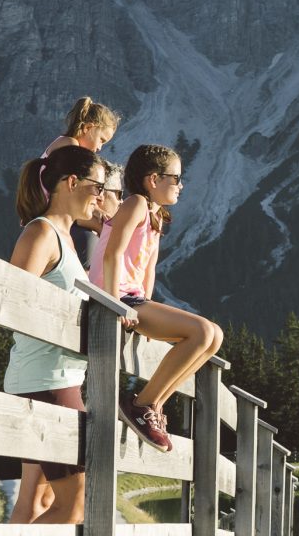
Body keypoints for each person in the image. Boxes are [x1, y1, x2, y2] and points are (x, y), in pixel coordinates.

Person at [1, 145, 130, 524]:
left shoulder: (65, 237)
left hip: (50, 378)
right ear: (71, 182)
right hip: (47, 382)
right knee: (77, 501)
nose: (102, 197)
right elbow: (9, 301)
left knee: (35, 500)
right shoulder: (41, 233)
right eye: (97, 187)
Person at [96, 143, 223, 453]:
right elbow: (112, 254)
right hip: (115, 295)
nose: (181, 185)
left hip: (134, 299)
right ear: (153, 179)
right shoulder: (136, 204)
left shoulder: (156, 216)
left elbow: (148, 271)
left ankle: (155, 405)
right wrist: (114, 304)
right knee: (203, 331)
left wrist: (149, 311)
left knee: (215, 337)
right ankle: (141, 404)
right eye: (175, 178)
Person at [19, 96, 119, 267]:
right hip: (51, 210)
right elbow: (69, 191)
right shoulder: (70, 145)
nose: (100, 148)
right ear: (88, 128)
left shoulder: (64, 141)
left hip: (49, 210)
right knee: (102, 230)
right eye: (101, 139)